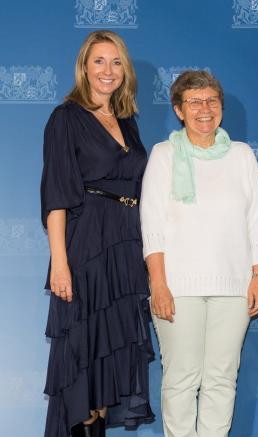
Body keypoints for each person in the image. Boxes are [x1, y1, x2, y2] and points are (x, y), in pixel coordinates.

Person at [140, 70, 258, 437]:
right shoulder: (164, 155)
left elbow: (257, 219)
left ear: (221, 108)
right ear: (179, 111)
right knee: (182, 379)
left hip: (234, 286)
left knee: (221, 379)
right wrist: (159, 284)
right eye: (194, 102)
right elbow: (151, 223)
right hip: (177, 287)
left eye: (212, 100)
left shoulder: (242, 155)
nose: (204, 108)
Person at [40, 30, 156, 437]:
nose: (108, 71)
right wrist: (60, 263)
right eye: (99, 62)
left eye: (116, 62)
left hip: (125, 249)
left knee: (108, 373)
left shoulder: (128, 121)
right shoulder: (65, 118)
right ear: (84, 68)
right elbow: (56, 196)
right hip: (86, 245)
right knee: (82, 369)